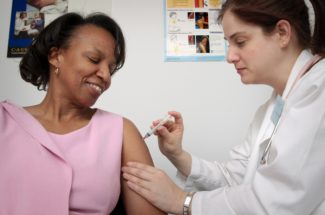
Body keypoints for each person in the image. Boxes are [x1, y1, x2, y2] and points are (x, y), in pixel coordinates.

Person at [122, 0, 325, 214]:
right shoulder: (272, 107)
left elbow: (275, 202)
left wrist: (182, 201)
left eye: (241, 41)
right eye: (229, 43)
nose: (230, 57)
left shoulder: (318, 90)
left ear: (282, 33)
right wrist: (177, 154)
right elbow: (236, 177)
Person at [0, 12, 165, 215]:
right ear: (55, 56)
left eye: (111, 69)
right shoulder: (4, 120)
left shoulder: (122, 131)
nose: (105, 75)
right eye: (94, 59)